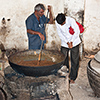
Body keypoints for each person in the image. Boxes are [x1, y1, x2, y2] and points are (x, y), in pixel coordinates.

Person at [55, 13, 81, 83]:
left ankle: (73, 77)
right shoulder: (57, 22)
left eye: (62, 24)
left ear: (65, 20)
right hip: (64, 43)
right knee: (63, 59)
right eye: (59, 24)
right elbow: (60, 33)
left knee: (74, 60)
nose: (60, 25)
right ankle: (65, 75)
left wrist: (71, 41)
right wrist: (67, 42)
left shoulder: (71, 20)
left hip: (74, 42)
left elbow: (77, 31)